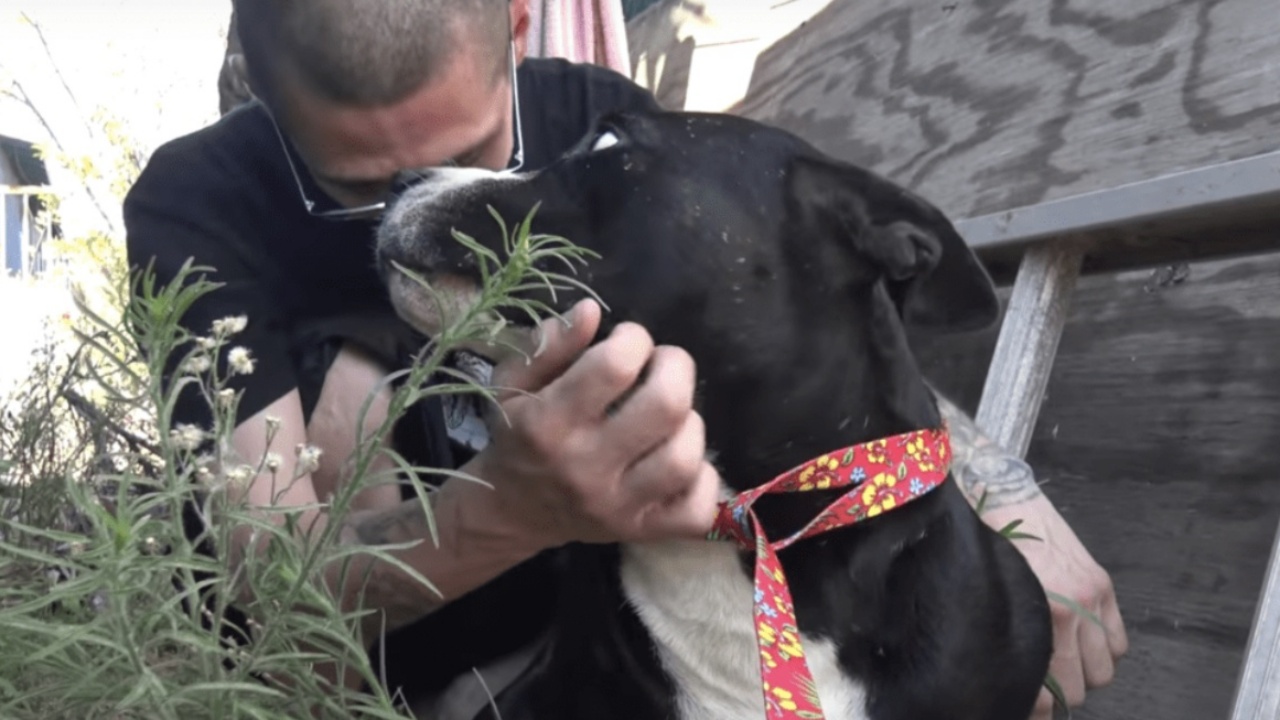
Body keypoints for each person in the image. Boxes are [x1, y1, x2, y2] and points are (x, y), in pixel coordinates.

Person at [125, 0, 1127, 717]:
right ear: (262, 94)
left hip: (621, 596)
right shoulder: (197, 206)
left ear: (517, 25)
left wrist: (1005, 492)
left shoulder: (603, 129)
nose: (424, 196)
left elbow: (787, 305)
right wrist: (515, 507)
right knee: (346, 397)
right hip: (425, 632)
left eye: (480, 155)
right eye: (355, 185)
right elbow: (269, 571)